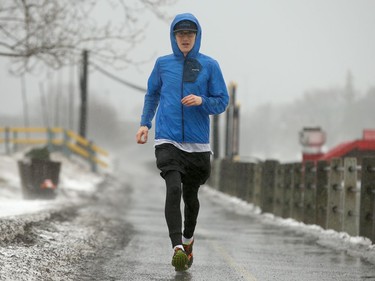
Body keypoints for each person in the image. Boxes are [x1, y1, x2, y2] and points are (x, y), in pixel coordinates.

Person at [136, 13, 229, 271]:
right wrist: (145, 124)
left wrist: (202, 101)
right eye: (180, 34)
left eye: (190, 34)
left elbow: (222, 100)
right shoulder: (162, 64)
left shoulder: (210, 65)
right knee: (173, 188)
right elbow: (152, 94)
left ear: (197, 37)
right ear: (174, 37)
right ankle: (176, 246)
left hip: (198, 145)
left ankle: (188, 240)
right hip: (168, 138)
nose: (185, 38)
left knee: (190, 196)